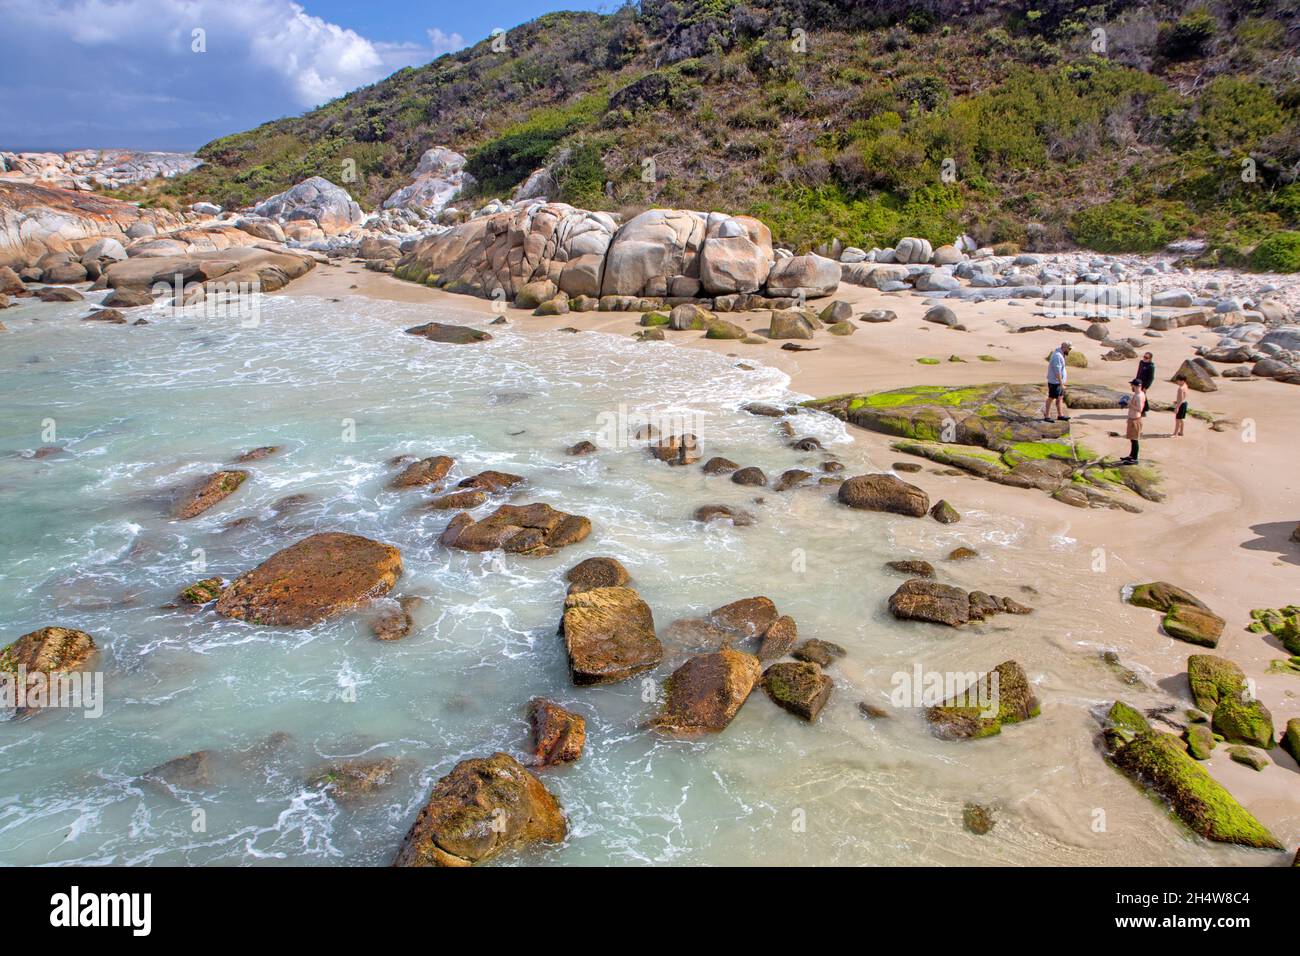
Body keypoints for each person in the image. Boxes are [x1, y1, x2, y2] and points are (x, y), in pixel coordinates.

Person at [1043, 341, 1072, 422]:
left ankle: (1060, 415)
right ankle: (1047, 416)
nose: (1070, 350)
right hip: (1055, 382)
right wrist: (1061, 384)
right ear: (1065, 348)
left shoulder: (1061, 354)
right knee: (1051, 398)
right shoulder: (1057, 356)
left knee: (1060, 398)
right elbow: (1057, 371)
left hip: (1058, 382)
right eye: (1069, 349)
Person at [1121, 377, 1145, 464]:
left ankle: (1135, 458)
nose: (1131, 386)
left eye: (1132, 385)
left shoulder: (1139, 396)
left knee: (1134, 439)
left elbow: (1140, 409)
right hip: (1132, 419)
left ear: (1136, 386)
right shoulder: (1137, 394)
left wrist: (1129, 404)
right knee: (1132, 439)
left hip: (1136, 420)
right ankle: (1131, 456)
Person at [1136, 352, 1155, 417]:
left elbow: (1151, 378)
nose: (1144, 358)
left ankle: (1143, 411)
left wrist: (1146, 387)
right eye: (1144, 357)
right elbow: (1138, 372)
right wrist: (1135, 381)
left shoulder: (1151, 366)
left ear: (1150, 359)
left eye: (1146, 358)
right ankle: (1143, 409)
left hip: (1144, 384)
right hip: (1138, 382)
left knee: (1142, 397)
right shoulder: (1141, 362)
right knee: (1139, 396)